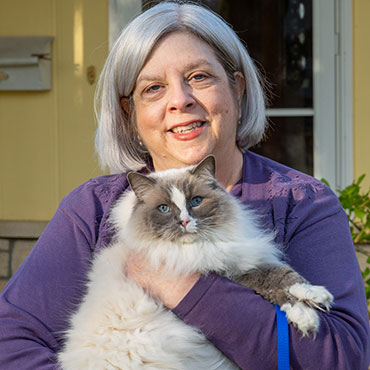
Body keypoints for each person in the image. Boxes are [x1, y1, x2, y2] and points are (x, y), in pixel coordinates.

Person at [0, 1, 369, 368]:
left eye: (199, 77)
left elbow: (343, 358)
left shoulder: (301, 203)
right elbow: (11, 339)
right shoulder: (93, 209)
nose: (180, 100)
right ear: (131, 114)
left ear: (237, 89)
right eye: (153, 88)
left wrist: (187, 288)